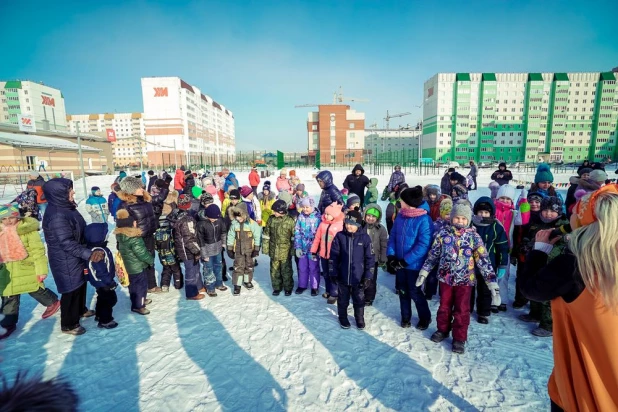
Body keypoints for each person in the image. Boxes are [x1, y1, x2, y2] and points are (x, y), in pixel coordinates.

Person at [520, 185, 618, 412]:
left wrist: (539, 251)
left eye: (574, 213)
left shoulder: (576, 265)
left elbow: (532, 288)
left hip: (584, 383)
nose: (570, 216)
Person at [419, 201, 500, 354]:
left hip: (465, 280)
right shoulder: (443, 234)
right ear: (452, 218)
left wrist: (491, 283)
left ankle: (459, 337)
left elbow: (483, 259)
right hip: (445, 279)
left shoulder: (474, 237)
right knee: (444, 307)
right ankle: (443, 329)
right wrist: (424, 271)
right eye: (457, 218)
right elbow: (433, 255)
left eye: (463, 218)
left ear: (468, 219)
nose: (460, 221)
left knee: (462, 310)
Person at [43, 178, 102, 335]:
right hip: (65, 259)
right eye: (70, 190)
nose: (73, 192)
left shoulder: (66, 208)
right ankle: (69, 324)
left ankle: (80, 310)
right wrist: (89, 254)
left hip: (76, 255)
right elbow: (66, 242)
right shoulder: (56, 215)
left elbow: (78, 229)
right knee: (71, 289)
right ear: (60, 194)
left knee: (80, 283)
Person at [0, 204, 60, 340]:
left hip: (26, 267)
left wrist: (41, 270)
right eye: (4, 219)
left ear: (18, 217)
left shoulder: (27, 231)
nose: (8, 221)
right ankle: (8, 323)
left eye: (12, 218)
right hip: (6, 270)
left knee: (35, 288)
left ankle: (53, 302)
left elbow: (38, 251)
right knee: (9, 295)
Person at [517, 196, 569, 337]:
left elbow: (568, 239)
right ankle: (534, 313)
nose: (548, 214)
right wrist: (526, 245)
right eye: (545, 210)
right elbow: (529, 236)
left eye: (552, 211)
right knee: (534, 287)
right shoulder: (535, 222)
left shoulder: (564, 225)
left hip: (553, 264)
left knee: (547, 296)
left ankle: (548, 325)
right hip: (537, 260)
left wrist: (562, 237)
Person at [386, 186, 433, 329]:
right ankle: (405, 316)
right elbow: (393, 236)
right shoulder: (401, 215)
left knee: (415, 291)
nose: (400, 202)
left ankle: (425, 317)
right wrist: (392, 255)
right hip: (399, 263)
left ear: (409, 202)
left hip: (414, 265)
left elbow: (423, 245)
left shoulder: (424, 219)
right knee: (403, 290)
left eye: (402, 200)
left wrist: (405, 261)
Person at [330, 210, 375, 330]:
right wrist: (333, 272)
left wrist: (368, 276)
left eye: (352, 223)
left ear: (359, 225)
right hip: (343, 276)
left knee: (359, 299)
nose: (349, 226)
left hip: (358, 277)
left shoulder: (365, 238)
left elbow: (370, 259)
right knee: (343, 299)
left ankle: (359, 318)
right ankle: (343, 317)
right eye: (347, 222)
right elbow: (333, 256)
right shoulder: (340, 236)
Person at [118, 176, 160, 293]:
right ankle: (138, 293)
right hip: (137, 239)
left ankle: (151, 286)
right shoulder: (124, 205)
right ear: (131, 190)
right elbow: (122, 226)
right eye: (139, 188)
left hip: (149, 235)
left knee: (150, 261)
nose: (142, 189)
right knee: (138, 266)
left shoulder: (145, 200)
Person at [471, 197, 509, 322]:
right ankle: (466, 308)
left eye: (486, 212)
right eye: (480, 212)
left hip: (488, 264)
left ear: (491, 213)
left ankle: (483, 312)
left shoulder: (495, 226)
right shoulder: (470, 224)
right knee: (468, 288)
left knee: (485, 290)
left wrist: (502, 265)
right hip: (469, 264)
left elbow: (502, 246)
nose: (483, 215)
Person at [115, 209, 155, 314]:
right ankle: (139, 305)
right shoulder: (134, 238)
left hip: (129, 266)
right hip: (137, 266)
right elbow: (141, 253)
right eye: (134, 221)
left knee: (133, 285)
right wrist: (150, 260)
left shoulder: (121, 236)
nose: (136, 222)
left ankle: (137, 301)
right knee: (141, 285)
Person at [167, 195, 205, 301]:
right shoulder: (187, 219)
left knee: (196, 268)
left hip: (180, 247)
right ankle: (191, 293)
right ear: (188, 204)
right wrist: (196, 251)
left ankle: (199, 286)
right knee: (191, 271)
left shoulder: (175, 214)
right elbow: (189, 239)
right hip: (187, 250)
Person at [84, 222, 118, 329]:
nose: (107, 235)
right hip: (103, 282)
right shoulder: (98, 253)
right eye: (105, 234)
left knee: (102, 298)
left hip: (100, 282)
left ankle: (99, 315)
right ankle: (105, 320)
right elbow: (101, 271)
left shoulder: (95, 248)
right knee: (110, 300)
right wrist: (109, 282)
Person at [311, 202, 345, 304]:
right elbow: (317, 238)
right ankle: (328, 290)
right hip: (323, 254)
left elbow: (342, 242)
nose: (325, 216)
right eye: (325, 213)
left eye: (328, 214)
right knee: (325, 274)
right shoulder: (322, 224)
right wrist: (314, 250)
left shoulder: (339, 226)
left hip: (334, 256)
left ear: (334, 215)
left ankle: (334, 293)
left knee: (333, 274)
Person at [226, 202, 262, 296]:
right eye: (236, 216)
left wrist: (256, 249)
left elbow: (257, 236)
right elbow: (230, 236)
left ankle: (247, 281)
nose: (238, 218)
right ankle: (237, 284)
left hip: (250, 249)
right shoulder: (234, 224)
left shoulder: (252, 224)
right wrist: (229, 248)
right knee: (238, 266)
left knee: (249, 265)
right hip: (238, 249)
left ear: (245, 214)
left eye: (240, 216)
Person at [262, 200, 296, 296]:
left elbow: (294, 237)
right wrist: (265, 247)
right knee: (274, 270)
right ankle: (277, 287)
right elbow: (266, 234)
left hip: (286, 250)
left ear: (281, 211)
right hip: (274, 249)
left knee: (286, 270)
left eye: (275, 211)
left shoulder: (290, 221)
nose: (273, 213)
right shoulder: (271, 219)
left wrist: (293, 250)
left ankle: (288, 287)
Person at [197, 204, 228, 297]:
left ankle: (219, 283)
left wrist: (223, 243)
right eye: (212, 218)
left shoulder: (219, 220)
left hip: (217, 248)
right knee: (208, 269)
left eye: (216, 218)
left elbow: (223, 232)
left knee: (218, 266)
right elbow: (200, 241)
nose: (214, 220)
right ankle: (210, 287)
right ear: (207, 216)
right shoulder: (201, 224)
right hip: (207, 250)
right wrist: (204, 254)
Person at [293, 197, 321, 296]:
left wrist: (318, 248)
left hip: (314, 249)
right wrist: (298, 247)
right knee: (302, 267)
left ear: (312, 206)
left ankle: (314, 286)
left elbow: (320, 234)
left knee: (313, 267)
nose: (305, 209)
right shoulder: (301, 217)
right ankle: (302, 285)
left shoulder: (318, 217)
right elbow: (297, 232)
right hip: (303, 248)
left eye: (307, 207)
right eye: (303, 207)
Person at [363, 204, 388, 306]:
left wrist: (383, 258)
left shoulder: (381, 229)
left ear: (378, 218)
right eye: (369, 215)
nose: (371, 218)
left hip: (373, 259)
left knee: (371, 280)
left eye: (374, 216)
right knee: (360, 277)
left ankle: (369, 297)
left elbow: (384, 244)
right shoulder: (360, 226)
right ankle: (359, 294)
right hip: (360, 258)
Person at [154, 218, 183, 292]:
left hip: (162, 256)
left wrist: (161, 251)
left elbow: (155, 246)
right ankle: (178, 284)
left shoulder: (156, 233)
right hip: (172, 255)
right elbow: (175, 243)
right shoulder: (170, 232)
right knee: (176, 270)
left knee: (166, 270)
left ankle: (164, 285)